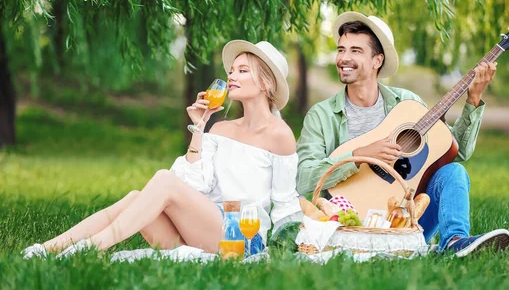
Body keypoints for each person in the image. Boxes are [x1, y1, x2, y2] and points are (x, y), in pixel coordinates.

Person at [23, 40, 302, 259]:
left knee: (164, 181)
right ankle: (48, 248)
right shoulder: (221, 129)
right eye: (231, 71)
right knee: (135, 197)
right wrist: (199, 127)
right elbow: (194, 185)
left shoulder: (280, 136)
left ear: (266, 83)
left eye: (243, 71)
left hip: (242, 239)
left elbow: (286, 205)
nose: (232, 77)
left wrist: (293, 245)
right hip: (202, 231)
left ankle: (90, 248)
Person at [296, 12, 509, 257]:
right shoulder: (321, 116)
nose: (344, 58)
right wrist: (360, 155)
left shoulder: (408, 104)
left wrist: (473, 99)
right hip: (346, 226)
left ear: (377, 60)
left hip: (406, 224)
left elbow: (457, 150)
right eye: (341, 49)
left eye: (355, 51)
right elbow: (304, 180)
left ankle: (455, 242)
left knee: (454, 172)